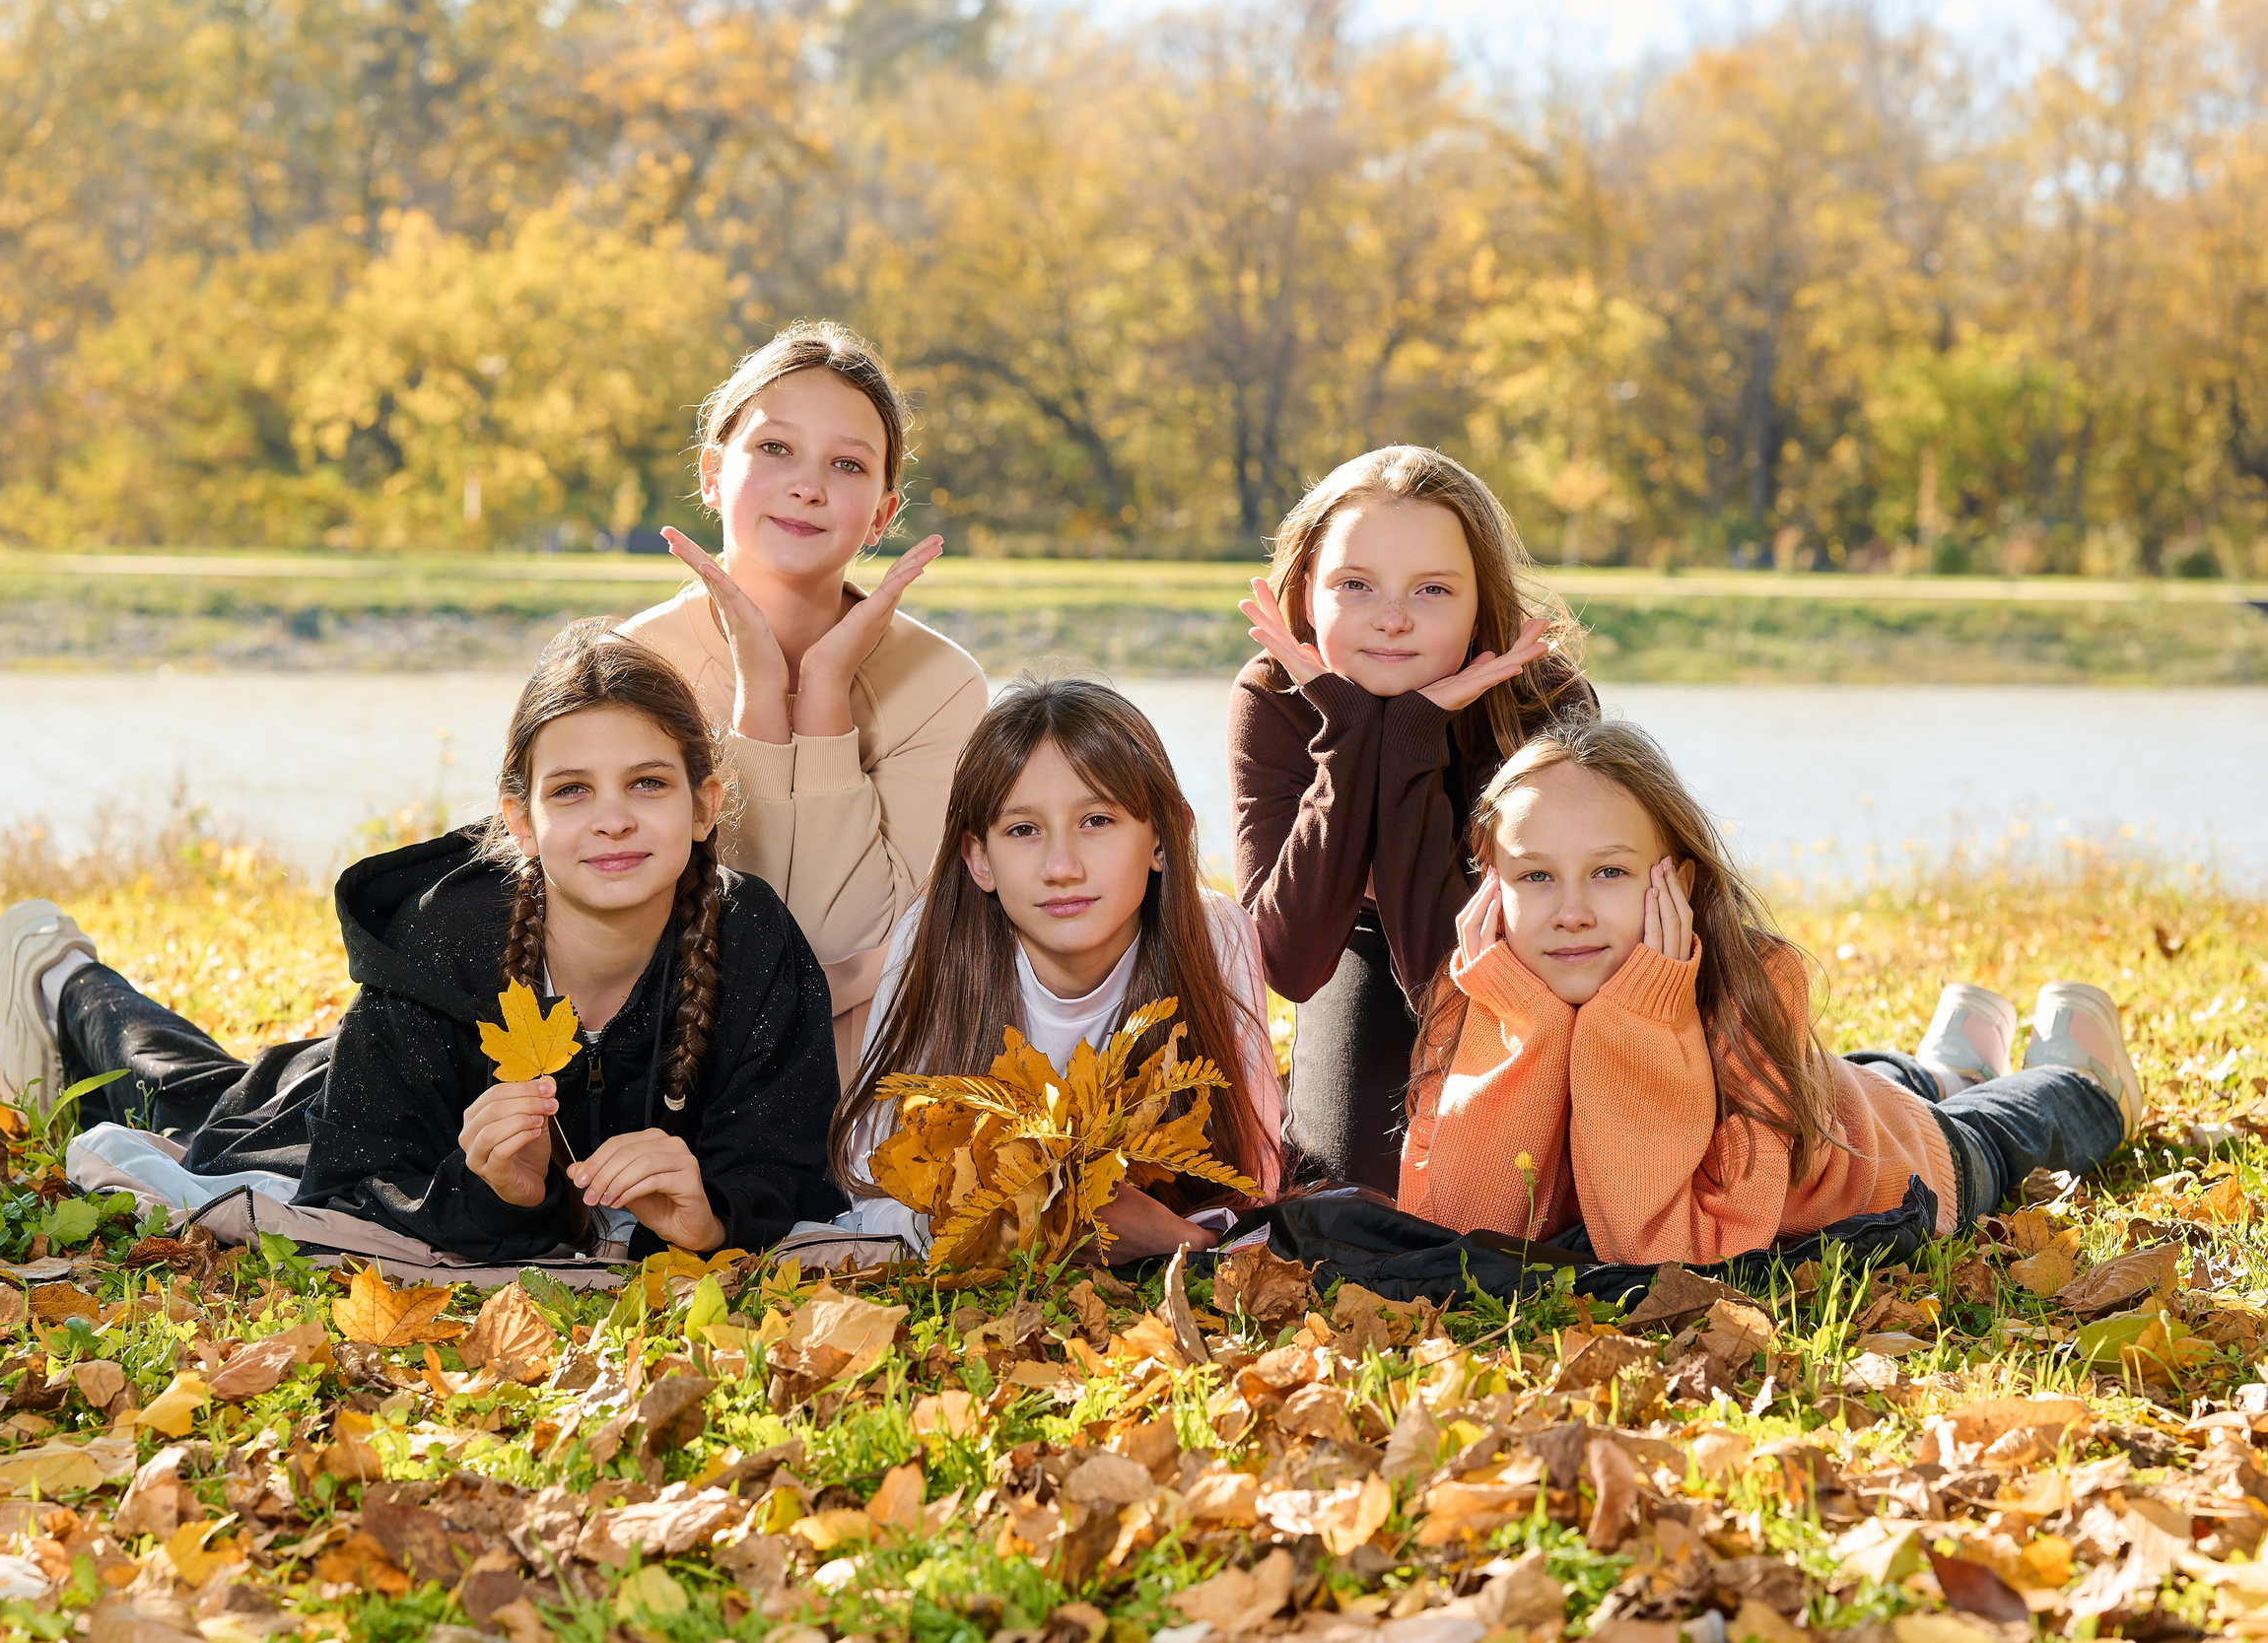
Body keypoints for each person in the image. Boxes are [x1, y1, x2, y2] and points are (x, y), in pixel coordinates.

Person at [0, 624, 843, 1264]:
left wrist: (710, 1218)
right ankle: (62, 975)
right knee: (176, 1093)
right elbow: (358, 1183)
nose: (613, 817)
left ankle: (66, 981)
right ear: (522, 824)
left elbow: (782, 1156)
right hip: (340, 1095)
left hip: (377, 1072)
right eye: (572, 790)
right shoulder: (444, 940)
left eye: (647, 784)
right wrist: (504, 1191)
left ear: (702, 807)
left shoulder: (754, 940)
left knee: (188, 1080)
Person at [1397, 715, 2135, 1264]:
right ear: (1492, 889)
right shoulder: (1489, 993)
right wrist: (1524, 1018)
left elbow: (1674, 1248)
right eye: (1535, 877)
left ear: (1678, 882)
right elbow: (1467, 1229)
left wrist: (1639, 1014)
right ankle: (1955, 1060)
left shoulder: (1750, 989)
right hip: (1828, 1099)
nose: (1572, 911)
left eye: (1611, 872)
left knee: (1996, 1132)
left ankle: (2077, 1072)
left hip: (1897, 1162)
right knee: (1846, 1082)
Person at [623, 321, 987, 1079]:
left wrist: (822, 701)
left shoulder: (942, 686)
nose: (808, 485)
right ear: (713, 474)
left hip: (861, 1073)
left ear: (883, 517)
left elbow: (855, 938)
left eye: (847, 465)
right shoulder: (628, 669)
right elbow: (675, 942)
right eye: (775, 448)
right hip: (665, 1057)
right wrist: (761, 697)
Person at [1229, 445, 1593, 1195]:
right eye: (1355, 585)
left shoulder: (1544, 706)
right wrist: (1352, 729)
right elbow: (1291, 963)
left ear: (1480, 601)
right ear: (1305, 593)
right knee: (1356, 1192)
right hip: (1354, 945)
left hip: (1535, 974)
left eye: (1431, 589)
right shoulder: (1275, 697)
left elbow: (1459, 984)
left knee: (1505, 1188)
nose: (1391, 621)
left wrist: (1414, 736)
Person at [826, 676, 1283, 1260]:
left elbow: (1254, 1177)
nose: (1062, 866)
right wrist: (1043, 1223)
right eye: (1023, 830)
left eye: (1097, 820)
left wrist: (1182, 1240)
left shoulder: (1214, 935)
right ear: (979, 859)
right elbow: (872, 1178)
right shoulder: (935, 937)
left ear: (1164, 841)